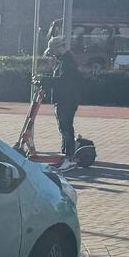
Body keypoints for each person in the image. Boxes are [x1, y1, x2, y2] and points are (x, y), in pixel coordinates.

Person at [44, 37, 83, 171]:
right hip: (64, 100)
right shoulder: (63, 61)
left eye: (53, 50)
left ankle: (69, 159)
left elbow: (64, 82)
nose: (52, 53)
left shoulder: (67, 62)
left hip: (67, 100)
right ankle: (65, 156)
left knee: (66, 128)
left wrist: (47, 80)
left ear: (59, 48)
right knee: (64, 128)